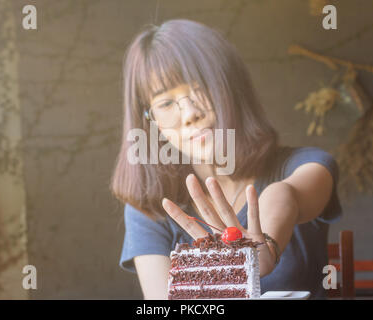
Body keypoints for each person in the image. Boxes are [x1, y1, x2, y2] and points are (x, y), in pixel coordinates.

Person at [111, 19, 342, 300]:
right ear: (152, 121)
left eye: (199, 88)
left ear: (231, 89)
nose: (189, 114)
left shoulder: (306, 165)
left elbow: (285, 194)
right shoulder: (149, 206)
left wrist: (265, 245)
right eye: (166, 104)